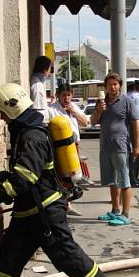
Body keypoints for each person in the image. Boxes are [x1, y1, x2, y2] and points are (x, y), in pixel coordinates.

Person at [0, 83, 113, 277]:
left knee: (65, 254)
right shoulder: (27, 132)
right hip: (29, 210)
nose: (1, 117)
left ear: (12, 108)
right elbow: (29, 173)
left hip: (45, 212)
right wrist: (8, 176)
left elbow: (25, 179)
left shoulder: (32, 137)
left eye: (2, 112)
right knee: (12, 253)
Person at [90, 73, 139, 225]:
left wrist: (137, 145)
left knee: (124, 181)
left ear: (119, 85)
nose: (112, 87)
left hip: (121, 146)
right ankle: (115, 210)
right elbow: (92, 122)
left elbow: (136, 124)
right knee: (112, 181)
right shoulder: (101, 102)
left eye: (115, 84)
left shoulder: (127, 101)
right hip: (105, 146)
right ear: (105, 87)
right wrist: (99, 110)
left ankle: (125, 214)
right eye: (110, 85)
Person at [48, 83, 90, 214]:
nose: (67, 98)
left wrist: (73, 112)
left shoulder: (73, 107)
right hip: (60, 148)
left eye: (69, 95)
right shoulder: (51, 109)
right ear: (58, 96)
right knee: (63, 177)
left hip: (74, 146)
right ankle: (64, 205)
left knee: (72, 177)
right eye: (64, 95)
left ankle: (66, 204)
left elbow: (86, 123)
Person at [30, 55, 52, 124]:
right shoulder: (37, 84)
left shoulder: (38, 81)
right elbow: (38, 108)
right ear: (45, 69)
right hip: (40, 122)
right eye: (49, 68)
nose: (50, 71)